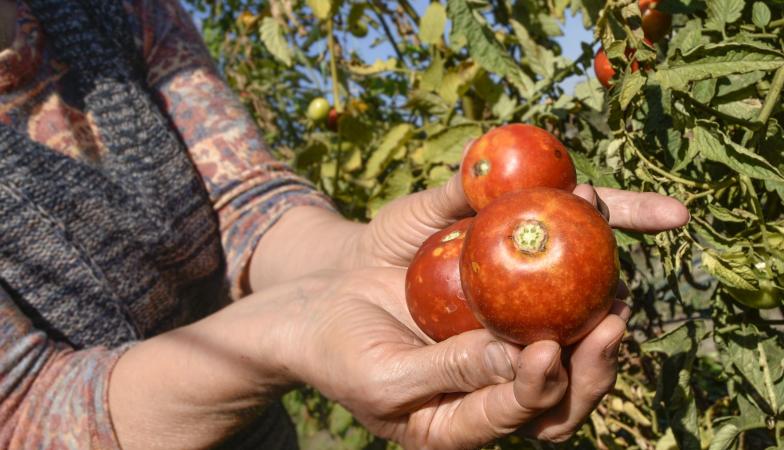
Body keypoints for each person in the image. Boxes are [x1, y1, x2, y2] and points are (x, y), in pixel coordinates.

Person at [0, 0, 690, 449]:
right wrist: (293, 330)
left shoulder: (114, 10)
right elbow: (21, 416)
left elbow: (243, 204)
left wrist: (359, 253)